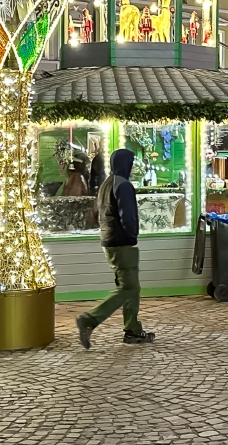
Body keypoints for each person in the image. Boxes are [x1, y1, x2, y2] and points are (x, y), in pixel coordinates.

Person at [76, 149, 155, 348]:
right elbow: (128, 216)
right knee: (128, 288)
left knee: (131, 286)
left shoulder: (106, 184)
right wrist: (132, 237)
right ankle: (90, 318)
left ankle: (133, 329)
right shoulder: (123, 185)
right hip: (122, 242)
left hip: (109, 240)